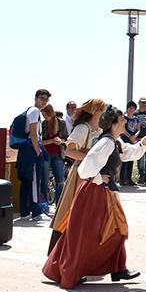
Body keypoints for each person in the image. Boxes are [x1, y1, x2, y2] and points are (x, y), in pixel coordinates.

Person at [42, 106, 146, 288]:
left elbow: (126, 154)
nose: (125, 121)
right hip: (94, 193)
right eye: (122, 119)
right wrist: (100, 177)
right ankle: (70, 269)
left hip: (103, 192)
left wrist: (142, 144)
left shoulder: (114, 142)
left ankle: (118, 268)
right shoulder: (106, 143)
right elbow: (85, 168)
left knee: (115, 229)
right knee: (87, 234)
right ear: (114, 124)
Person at [49, 98, 107, 253]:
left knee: (92, 218)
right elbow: (69, 151)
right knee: (73, 214)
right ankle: (62, 255)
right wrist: (92, 157)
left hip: (95, 176)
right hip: (80, 176)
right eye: (102, 108)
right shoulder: (82, 128)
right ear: (95, 110)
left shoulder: (100, 131)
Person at [15, 89, 51, 220]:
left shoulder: (30, 111)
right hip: (31, 149)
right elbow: (34, 133)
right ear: (35, 98)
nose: (44, 101)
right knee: (35, 181)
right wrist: (38, 151)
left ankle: (24, 212)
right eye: (41, 98)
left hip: (25, 149)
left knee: (26, 181)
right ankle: (36, 211)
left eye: (46, 99)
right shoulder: (35, 111)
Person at [39, 104, 67, 208]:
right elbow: (40, 142)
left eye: (46, 114)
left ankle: (58, 204)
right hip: (46, 155)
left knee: (60, 181)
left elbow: (67, 139)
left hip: (58, 155)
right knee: (44, 181)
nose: (44, 116)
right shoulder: (42, 124)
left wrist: (61, 141)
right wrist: (51, 141)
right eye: (43, 114)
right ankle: (45, 206)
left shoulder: (61, 123)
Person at [119, 101, 140, 187]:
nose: (131, 109)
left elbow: (138, 129)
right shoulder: (124, 118)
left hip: (133, 141)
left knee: (131, 159)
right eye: (130, 107)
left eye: (133, 108)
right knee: (124, 159)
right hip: (125, 140)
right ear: (127, 108)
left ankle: (129, 179)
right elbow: (123, 129)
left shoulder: (136, 119)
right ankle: (122, 179)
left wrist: (134, 136)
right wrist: (129, 136)